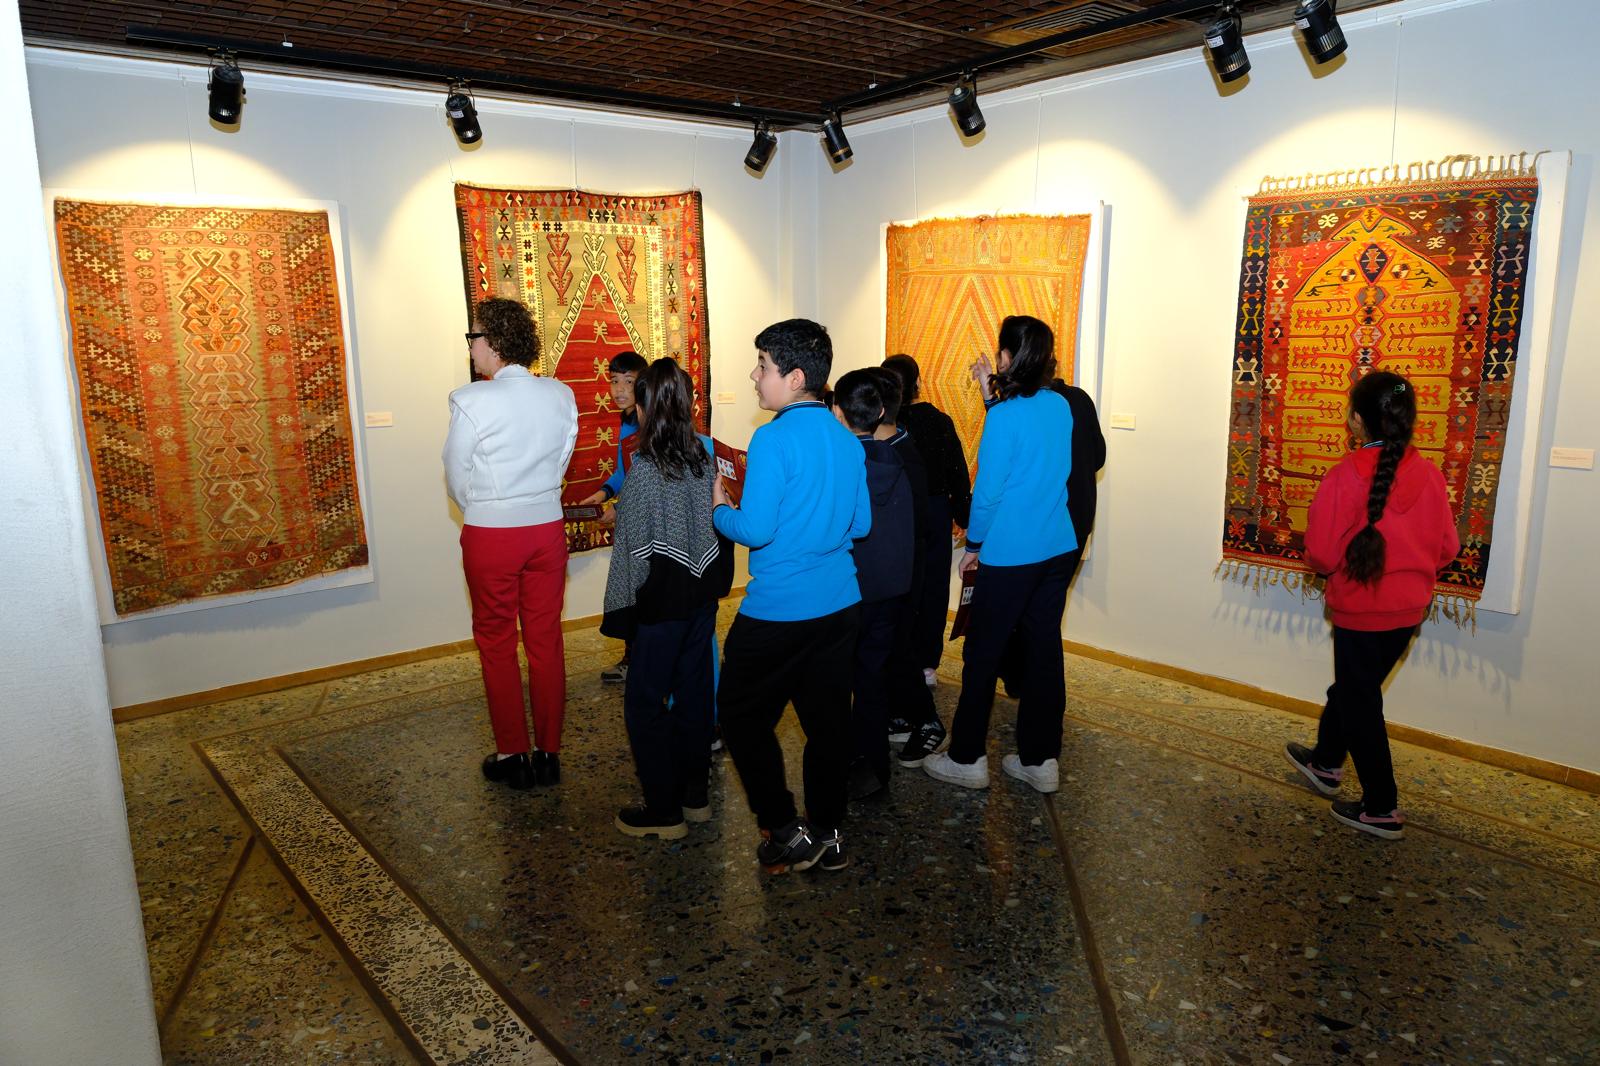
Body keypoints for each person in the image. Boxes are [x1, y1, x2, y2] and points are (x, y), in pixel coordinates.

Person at [713, 319, 870, 874]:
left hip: (779, 611)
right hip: (839, 605)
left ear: (796, 377)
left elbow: (755, 530)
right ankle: (827, 831)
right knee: (828, 724)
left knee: (739, 715)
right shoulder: (847, 439)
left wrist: (719, 509)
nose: (754, 376)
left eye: (763, 366)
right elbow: (860, 524)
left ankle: (783, 827)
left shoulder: (773, 438)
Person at [1285, 371, 1458, 840]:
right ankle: (1325, 762)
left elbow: (1322, 555)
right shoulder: (1430, 474)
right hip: (1408, 613)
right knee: (1354, 689)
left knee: (1361, 703)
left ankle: (1381, 807)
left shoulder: (1345, 476)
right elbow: (1448, 548)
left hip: (1360, 613)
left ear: (1357, 420)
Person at [923, 315, 1075, 795]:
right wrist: (992, 389)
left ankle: (967, 757)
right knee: (1043, 651)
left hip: (1011, 554)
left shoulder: (1005, 418)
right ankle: (1040, 759)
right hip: (1057, 547)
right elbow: (1028, 443)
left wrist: (973, 546)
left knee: (983, 654)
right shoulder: (1060, 405)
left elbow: (987, 496)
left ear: (1008, 357)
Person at [443, 297, 578, 790]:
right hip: (546, 528)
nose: (471, 347)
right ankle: (549, 754)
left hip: (493, 533)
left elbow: (455, 474)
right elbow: (562, 460)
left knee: (496, 642)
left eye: (474, 337)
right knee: (546, 639)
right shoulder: (560, 394)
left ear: (495, 342)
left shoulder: (470, 400)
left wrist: (485, 506)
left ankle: (513, 754)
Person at [602, 359, 733, 839]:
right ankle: (695, 797)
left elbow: (633, 551)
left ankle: (663, 810)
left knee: (643, 703)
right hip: (701, 599)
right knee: (694, 695)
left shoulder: (645, 468)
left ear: (646, 407)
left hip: (660, 605)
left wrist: (622, 613)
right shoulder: (704, 458)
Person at [992, 371, 1106, 697]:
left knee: (1024, 613)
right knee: (1046, 613)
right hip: (1077, 521)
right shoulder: (1079, 399)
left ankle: (1021, 679)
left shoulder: (1030, 408)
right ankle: (1038, 695)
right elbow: (1098, 457)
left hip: (1043, 524)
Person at [830, 370, 914, 799]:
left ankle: (842, 763)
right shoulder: (896, 459)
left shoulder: (840, 466)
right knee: (873, 677)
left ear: (837, 413)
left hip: (849, 587)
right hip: (891, 586)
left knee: (835, 680)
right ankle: (875, 767)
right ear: (881, 412)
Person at [865, 367, 946, 767]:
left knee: (897, 647)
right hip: (893, 569)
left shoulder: (900, 454)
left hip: (901, 570)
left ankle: (928, 722)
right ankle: (900, 714)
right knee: (887, 649)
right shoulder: (891, 447)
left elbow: (913, 524)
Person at [882, 354, 971, 689]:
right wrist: (964, 516)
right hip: (935, 512)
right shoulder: (939, 421)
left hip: (894, 512)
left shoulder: (883, 424)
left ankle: (894, 658)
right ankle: (926, 665)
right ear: (918, 383)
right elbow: (957, 473)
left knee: (899, 587)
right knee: (933, 589)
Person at [578, 350, 649, 684]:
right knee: (631, 592)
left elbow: (648, 478)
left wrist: (619, 509)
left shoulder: (648, 421)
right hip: (632, 517)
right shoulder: (627, 419)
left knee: (642, 592)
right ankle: (633, 658)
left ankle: (642, 662)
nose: (619, 389)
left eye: (628, 382)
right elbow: (625, 471)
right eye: (614, 380)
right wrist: (604, 492)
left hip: (646, 521)